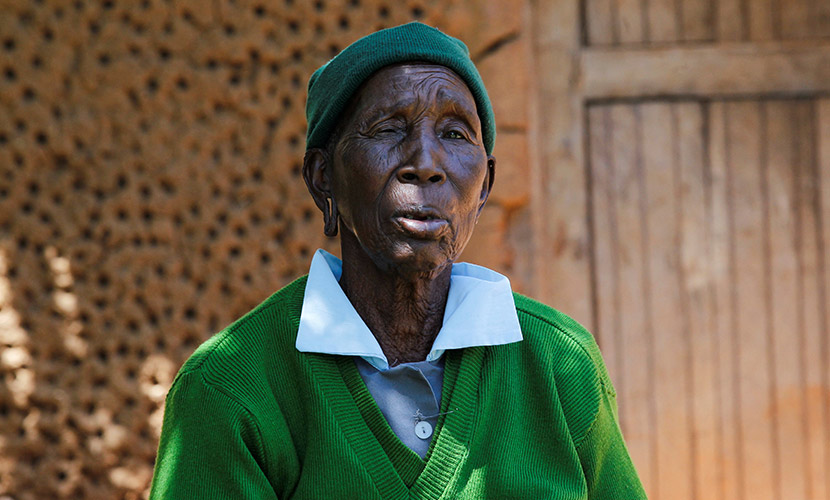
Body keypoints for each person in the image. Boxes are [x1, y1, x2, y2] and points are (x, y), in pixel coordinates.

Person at [149, 22, 646, 499]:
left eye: (455, 134)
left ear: (484, 185)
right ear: (323, 177)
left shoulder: (559, 365)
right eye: (388, 128)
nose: (426, 164)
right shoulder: (233, 389)